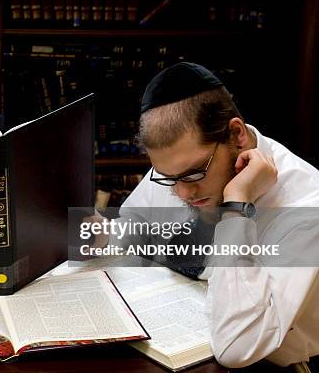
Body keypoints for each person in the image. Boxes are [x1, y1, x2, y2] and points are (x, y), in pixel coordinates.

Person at [99, 62, 319, 369]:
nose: (183, 192)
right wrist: (103, 234)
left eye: (193, 174)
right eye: (166, 177)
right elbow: (135, 227)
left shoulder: (308, 209)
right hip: (173, 341)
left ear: (237, 134)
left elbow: (237, 346)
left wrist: (237, 205)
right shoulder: (181, 165)